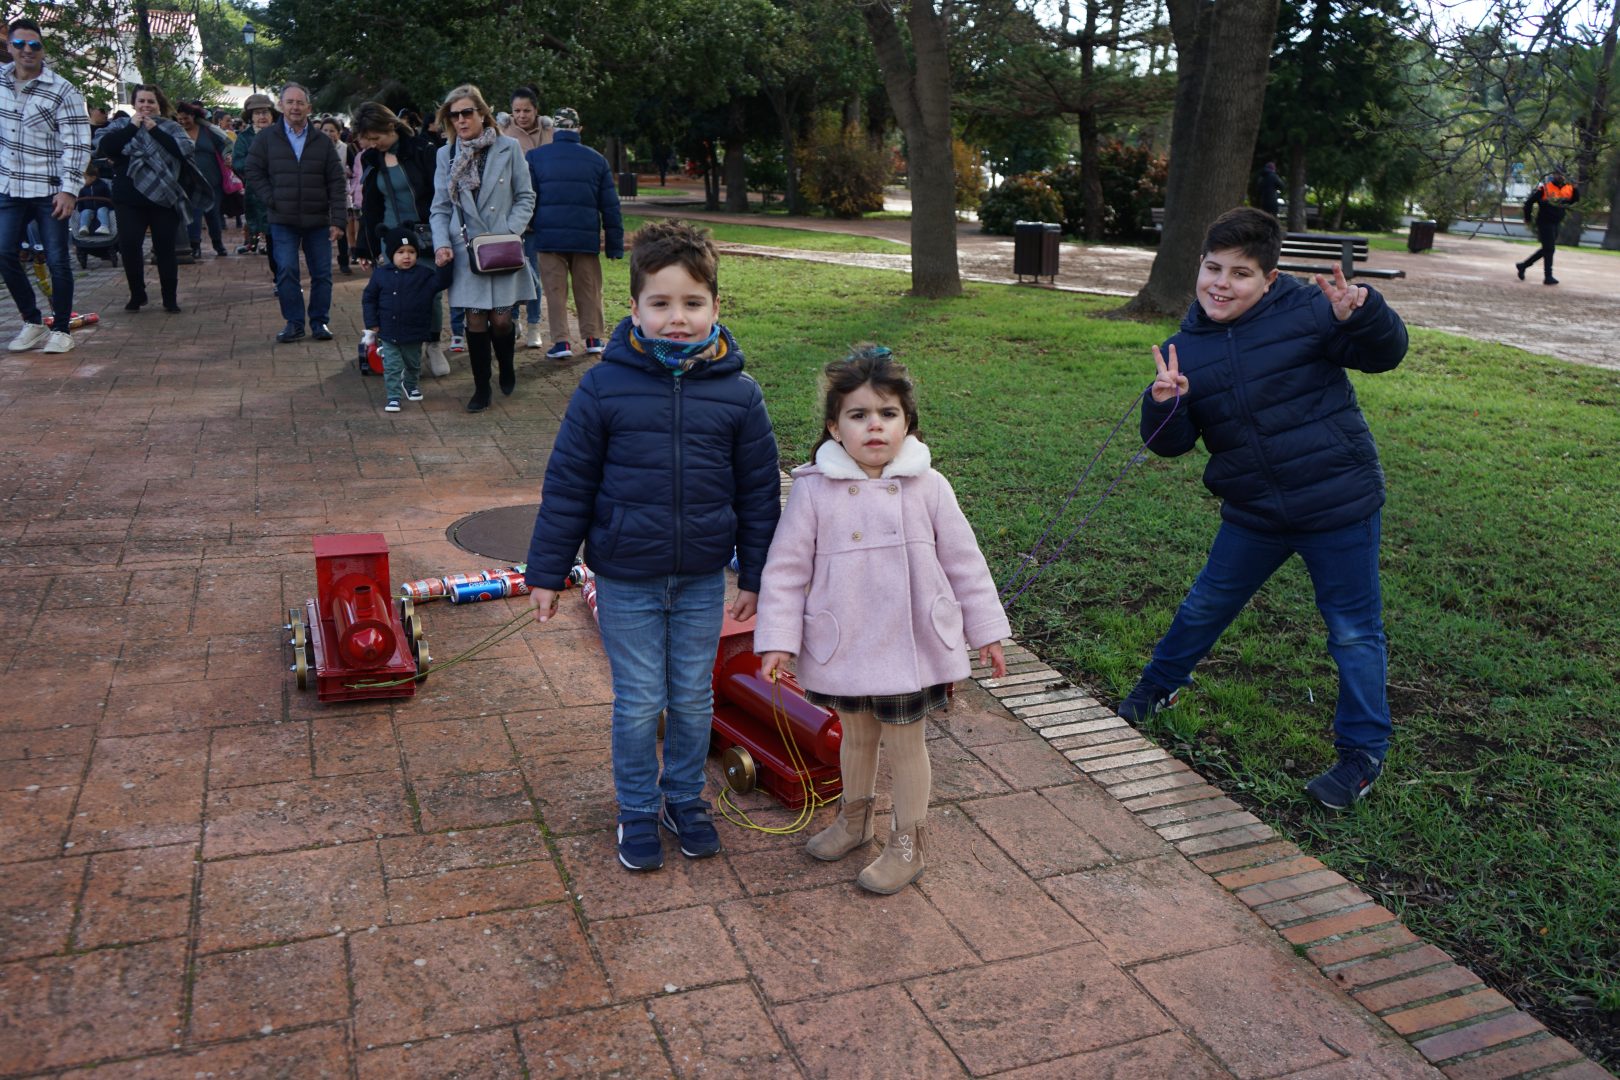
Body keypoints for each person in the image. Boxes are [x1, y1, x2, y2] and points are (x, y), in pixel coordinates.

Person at [1116, 207, 1409, 811]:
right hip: (1254, 510)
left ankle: (1362, 754)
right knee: (1205, 605)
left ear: (1269, 279)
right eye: (1213, 268)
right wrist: (1164, 403)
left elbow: (1385, 354)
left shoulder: (1311, 311)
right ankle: (1158, 687)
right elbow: (1169, 445)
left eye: (1241, 273)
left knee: (1353, 633)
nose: (1221, 284)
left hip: (1337, 504)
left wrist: (1364, 315)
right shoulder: (1183, 347)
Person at [523, 219, 781, 872]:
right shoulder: (603, 387)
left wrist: (757, 575)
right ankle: (637, 807)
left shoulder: (740, 395)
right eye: (660, 303)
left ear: (716, 307)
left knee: (693, 697)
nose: (677, 318)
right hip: (626, 577)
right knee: (640, 700)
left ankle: (683, 799)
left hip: (701, 579)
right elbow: (569, 484)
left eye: (692, 303)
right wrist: (547, 572)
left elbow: (759, 494)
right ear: (634, 309)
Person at [755, 347, 1010, 894]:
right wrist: (777, 639)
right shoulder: (813, 490)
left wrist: (987, 631)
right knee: (856, 735)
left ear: (907, 423)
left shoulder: (930, 486)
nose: (875, 425)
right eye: (859, 414)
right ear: (834, 427)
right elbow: (786, 571)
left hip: (909, 645)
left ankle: (909, 843)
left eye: (888, 413)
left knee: (904, 741)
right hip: (844, 641)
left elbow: (965, 563)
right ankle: (856, 821)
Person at [429, 84, 536, 411]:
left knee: (501, 320)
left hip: (501, 247)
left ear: (482, 113)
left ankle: (506, 366)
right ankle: (481, 388)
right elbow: (440, 207)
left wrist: (509, 231)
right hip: (466, 249)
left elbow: (526, 196)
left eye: (467, 112)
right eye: (454, 115)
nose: (460, 120)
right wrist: (441, 244)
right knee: (474, 319)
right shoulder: (446, 154)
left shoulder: (509, 148)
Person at [0, 18, 90, 355]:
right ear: (9, 47)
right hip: (9, 186)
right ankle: (32, 321)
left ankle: (62, 329)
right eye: (20, 44)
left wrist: (70, 189)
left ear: (42, 49)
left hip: (50, 188)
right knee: (3, 252)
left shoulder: (63, 90)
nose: (27, 50)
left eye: (34, 45)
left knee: (57, 259)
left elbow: (77, 143)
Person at [241, 82, 347, 344]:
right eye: (290, 102)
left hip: (318, 219)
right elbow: (252, 169)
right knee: (287, 270)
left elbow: (336, 182)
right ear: (281, 105)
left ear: (309, 108)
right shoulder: (267, 138)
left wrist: (338, 220)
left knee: (322, 274)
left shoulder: (322, 141)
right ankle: (294, 323)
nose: (295, 107)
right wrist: (270, 197)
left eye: (300, 102)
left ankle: (319, 321)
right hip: (282, 219)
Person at [351, 101, 450, 377]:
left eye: (376, 137)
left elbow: (441, 195)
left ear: (390, 126)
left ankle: (433, 344)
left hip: (425, 235)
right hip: (390, 236)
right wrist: (365, 247)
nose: (373, 144)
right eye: (368, 139)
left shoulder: (422, 151)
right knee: (395, 295)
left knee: (429, 292)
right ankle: (402, 348)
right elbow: (370, 206)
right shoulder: (371, 159)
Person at [526, 105, 623, 360]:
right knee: (588, 289)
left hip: (549, 237)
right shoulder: (597, 160)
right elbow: (610, 207)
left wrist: (532, 225)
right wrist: (614, 245)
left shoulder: (535, 157)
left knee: (555, 292)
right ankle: (593, 338)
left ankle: (561, 342)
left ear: (553, 128)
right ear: (579, 129)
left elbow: (529, 199)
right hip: (585, 237)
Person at [92, 84, 192, 313]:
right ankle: (137, 294)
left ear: (158, 104)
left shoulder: (171, 127)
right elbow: (106, 147)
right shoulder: (120, 125)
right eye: (141, 101)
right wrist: (132, 127)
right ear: (134, 104)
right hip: (128, 197)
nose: (146, 105)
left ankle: (169, 297)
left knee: (165, 248)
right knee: (129, 246)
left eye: (150, 101)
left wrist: (155, 130)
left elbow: (183, 151)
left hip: (163, 195)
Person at [362, 227, 453, 412]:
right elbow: (369, 298)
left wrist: (445, 265)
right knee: (392, 365)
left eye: (411, 252)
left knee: (413, 363)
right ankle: (393, 396)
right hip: (388, 330)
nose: (406, 256)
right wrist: (372, 323)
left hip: (415, 329)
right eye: (401, 252)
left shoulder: (424, 274)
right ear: (391, 254)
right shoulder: (381, 274)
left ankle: (410, 385)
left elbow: (441, 282)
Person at [500, 86, 553, 349]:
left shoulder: (548, 131)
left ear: (536, 110)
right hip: (509, 211)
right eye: (517, 111)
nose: (521, 116)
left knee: (533, 273)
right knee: (509, 269)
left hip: (539, 212)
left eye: (527, 111)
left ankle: (534, 324)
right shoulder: (503, 130)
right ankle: (512, 319)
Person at [176, 101, 229, 258]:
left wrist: (228, 156)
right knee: (194, 214)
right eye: (180, 119)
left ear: (193, 116)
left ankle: (218, 244)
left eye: (186, 118)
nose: (183, 122)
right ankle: (195, 246)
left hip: (213, 180)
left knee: (213, 214)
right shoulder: (176, 132)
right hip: (190, 182)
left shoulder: (208, 131)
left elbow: (225, 144)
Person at [1515, 169, 1578, 286]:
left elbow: (1574, 201)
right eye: (1558, 174)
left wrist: (1575, 189)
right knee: (1549, 249)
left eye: (1562, 174)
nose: (1560, 176)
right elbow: (1529, 203)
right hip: (1544, 222)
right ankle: (1548, 276)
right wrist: (1528, 218)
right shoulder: (1545, 188)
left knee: (1547, 249)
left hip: (1556, 223)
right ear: (1553, 175)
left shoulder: (1568, 188)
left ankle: (1523, 265)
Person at [231, 93, 275, 259]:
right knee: (268, 232)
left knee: (281, 235)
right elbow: (238, 164)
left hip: (283, 191)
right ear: (251, 117)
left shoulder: (283, 134)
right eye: (257, 113)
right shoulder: (244, 138)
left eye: (265, 112)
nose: (262, 116)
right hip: (257, 193)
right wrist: (259, 164)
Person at [318, 116, 354, 274]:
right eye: (325, 130)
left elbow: (355, 169)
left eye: (332, 130)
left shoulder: (345, 148)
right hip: (319, 195)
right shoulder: (313, 148)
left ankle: (344, 261)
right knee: (321, 230)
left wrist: (349, 172)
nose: (328, 133)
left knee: (340, 228)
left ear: (339, 133)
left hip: (339, 194)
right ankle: (322, 262)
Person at [75, 163, 112, 235]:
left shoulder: (102, 185)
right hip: (88, 208)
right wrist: (80, 209)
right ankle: (84, 227)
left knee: (102, 211)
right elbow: (80, 199)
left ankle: (104, 226)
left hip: (102, 206)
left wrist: (111, 207)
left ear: (93, 178)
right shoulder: (82, 189)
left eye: (85, 178)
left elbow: (109, 196)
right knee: (85, 212)